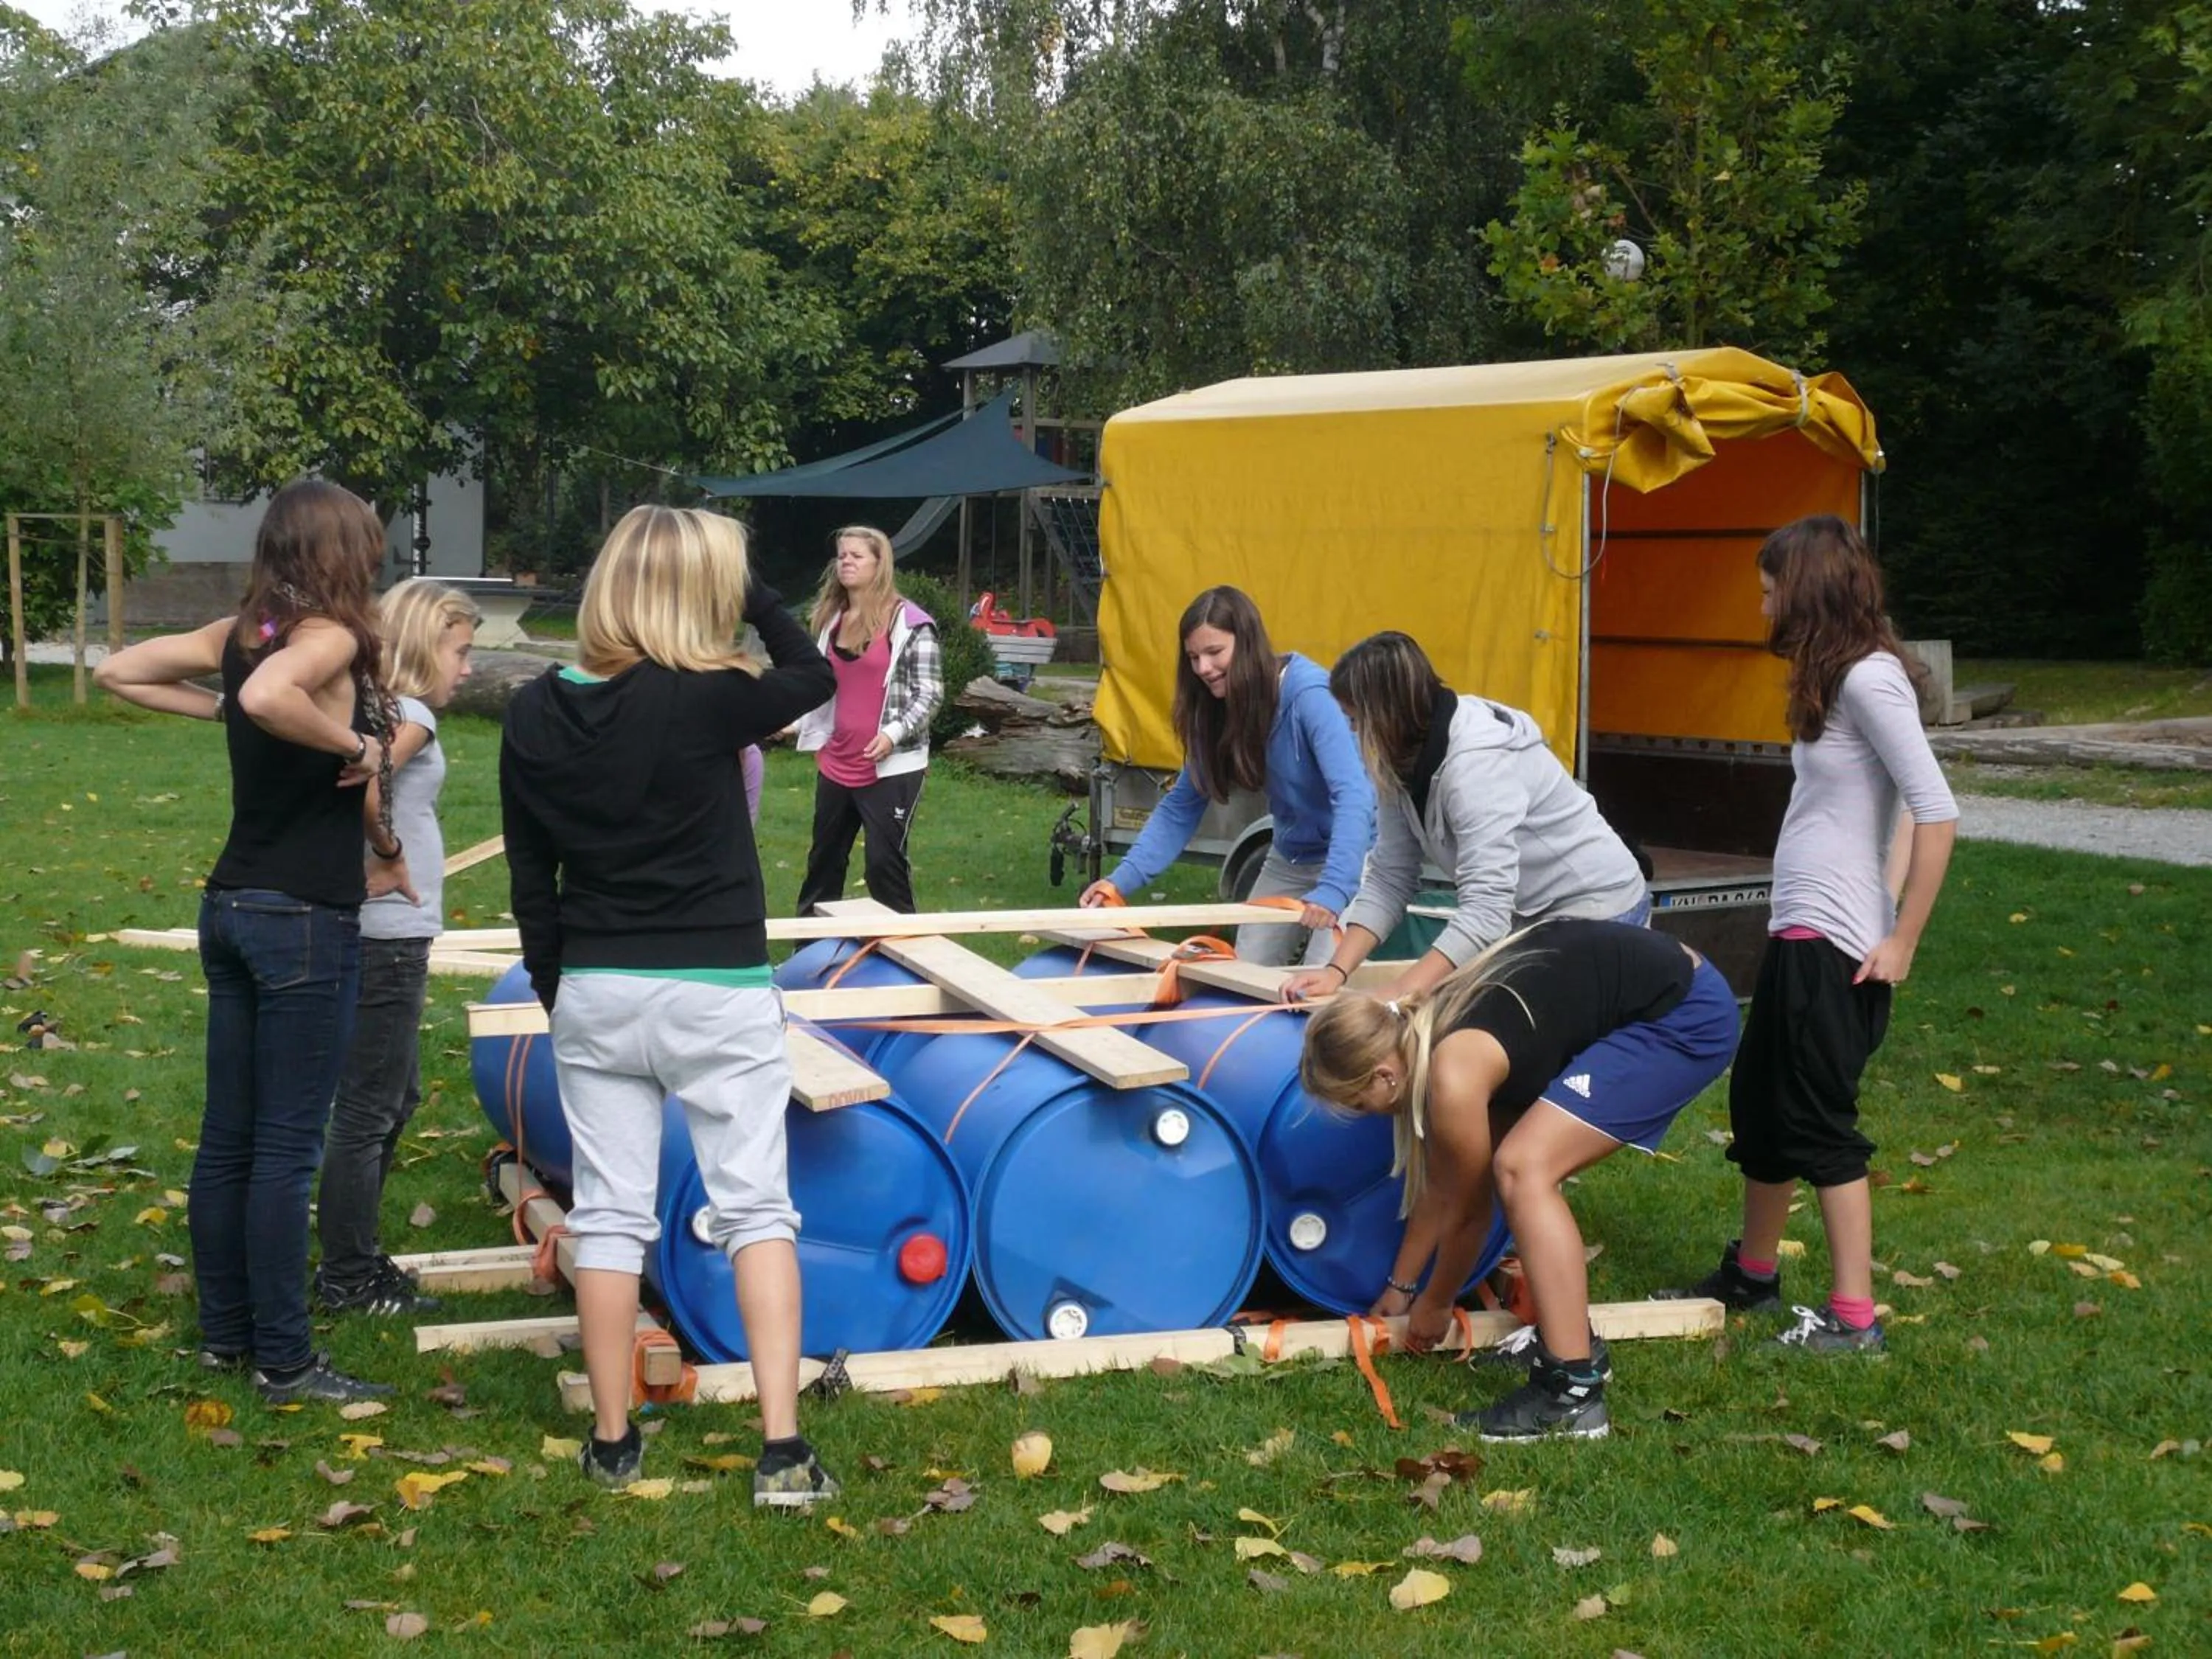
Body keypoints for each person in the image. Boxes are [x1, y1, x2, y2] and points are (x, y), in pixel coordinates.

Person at [499, 505, 840, 1501]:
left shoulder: (531, 709)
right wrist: (763, 598)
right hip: (716, 989)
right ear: (703, 595)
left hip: (596, 984)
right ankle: (780, 1451)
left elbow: (532, 877)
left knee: (607, 1218)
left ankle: (612, 1443)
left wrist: (562, 991)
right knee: (756, 1208)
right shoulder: (705, 698)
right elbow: (818, 678)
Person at [94, 478, 402, 1405]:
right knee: (284, 1149)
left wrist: (225, 707)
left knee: (228, 1139)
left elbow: (119, 672)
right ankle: (286, 1360)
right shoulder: (324, 640)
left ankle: (225, 1339)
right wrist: (356, 748)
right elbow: (274, 695)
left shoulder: (242, 633)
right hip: (305, 917)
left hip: (230, 908)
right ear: (346, 553)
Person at [1654, 515, 1957, 1354]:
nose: (1760, 599)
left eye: (1768, 584)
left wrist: (1899, 938)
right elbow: (1889, 812)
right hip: (1804, 933)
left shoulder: (1870, 680)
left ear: (1807, 587)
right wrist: (1879, 903)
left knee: (1820, 1123)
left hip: (1836, 945)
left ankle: (1854, 1320)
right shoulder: (1837, 678)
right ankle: (1753, 1274)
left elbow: (1936, 811)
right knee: (1761, 1108)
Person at [1298, 919, 1739, 1439]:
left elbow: (1469, 1210)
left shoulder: (1455, 1068)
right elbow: (1444, 1185)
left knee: (1523, 1169)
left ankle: (1571, 1390)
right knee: (1512, 1163)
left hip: (1685, 1015)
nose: (1367, 1114)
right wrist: (1401, 1287)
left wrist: (1437, 1303)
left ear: (1384, 1076)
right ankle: (1570, 1336)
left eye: (1357, 1103)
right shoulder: (1436, 1032)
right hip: (1652, 995)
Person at [1283, 630, 1649, 1005]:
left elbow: (1487, 910)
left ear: (1386, 716)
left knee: (1528, 1032)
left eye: (1356, 719)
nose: (1353, 732)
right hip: (1534, 914)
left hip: (1599, 907)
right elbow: (1389, 877)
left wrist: (1399, 992)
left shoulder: (1475, 768)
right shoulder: (1398, 760)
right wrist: (1336, 971)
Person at [315, 579, 479, 1317]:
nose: (468, 669)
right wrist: (385, 848)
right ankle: (348, 1276)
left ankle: (356, 1254)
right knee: (368, 1109)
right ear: (424, 644)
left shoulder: (373, 709)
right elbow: (362, 781)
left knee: (395, 1096)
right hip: (388, 935)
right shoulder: (410, 714)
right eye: (462, 651)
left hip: (383, 933)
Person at [1078, 585, 1375, 967]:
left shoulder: (1309, 695)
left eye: (1215, 652)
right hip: (1291, 855)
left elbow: (1353, 795)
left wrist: (1335, 888)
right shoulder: (1215, 708)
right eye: (1193, 657)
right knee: (1244, 974)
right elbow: (1179, 810)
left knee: (1323, 983)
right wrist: (1118, 883)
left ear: (1247, 643)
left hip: (1356, 854)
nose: (1203, 668)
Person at [790, 526, 942, 914]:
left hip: (889, 768)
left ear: (880, 565)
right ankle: (808, 958)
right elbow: (822, 686)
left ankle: (901, 957)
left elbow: (929, 694)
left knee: (883, 866)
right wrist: (796, 721)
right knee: (823, 862)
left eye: (857, 555)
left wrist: (892, 735)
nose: (846, 562)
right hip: (837, 761)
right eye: (842, 555)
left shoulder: (908, 622)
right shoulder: (832, 619)